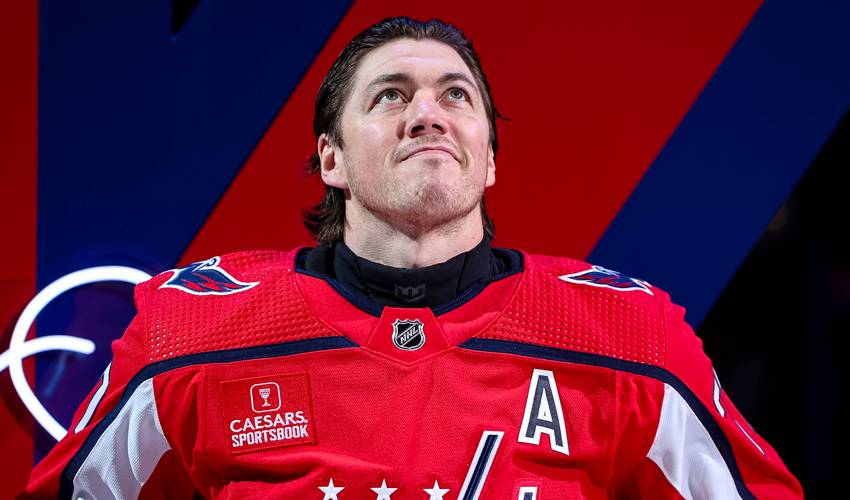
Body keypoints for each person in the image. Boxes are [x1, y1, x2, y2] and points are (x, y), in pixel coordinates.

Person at [25, 17, 802, 499]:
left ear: (488, 159)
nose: (428, 115)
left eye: (456, 96)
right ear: (331, 159)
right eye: (390, 95)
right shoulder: (194, 330)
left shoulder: (630, 336)